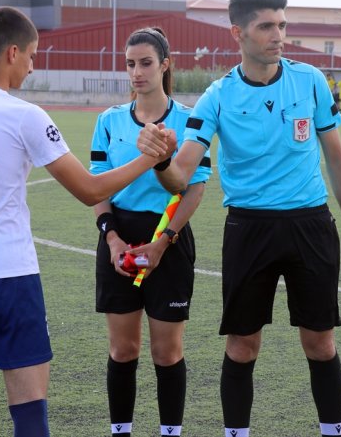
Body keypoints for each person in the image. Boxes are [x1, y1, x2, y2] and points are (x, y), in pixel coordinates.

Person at [0, 7, 176, 437]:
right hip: (8, 278)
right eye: (31, 55)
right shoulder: (23, 114)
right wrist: (150, 158)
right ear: (13, 52)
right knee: (29, 410)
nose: (32, 67)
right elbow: (89, 189)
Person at [138, 0, 341, 437]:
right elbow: (179, 177)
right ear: (238, 33)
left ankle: (333, 432)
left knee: (321, 343)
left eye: (282, 25)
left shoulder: (310, 81)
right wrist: (161, 159)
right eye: (267, 26)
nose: (279, 35)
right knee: (243, 346)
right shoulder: (217, 96)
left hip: (310, 225)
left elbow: (337, 161)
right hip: (249, 229)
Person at [89, 28, 212, 437]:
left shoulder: (190, 120)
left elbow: (192, 190)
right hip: (120, 237)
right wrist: (112, 238)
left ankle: (170, 433)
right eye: (130, 64)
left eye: (145, 63)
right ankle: (120, 431)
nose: (137, 72)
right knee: (123, 350)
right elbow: (98, 186)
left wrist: (163, 243)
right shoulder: (108, 121)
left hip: (167, 239)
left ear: (165, 63)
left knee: (166, 351)